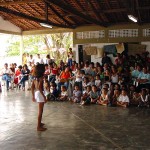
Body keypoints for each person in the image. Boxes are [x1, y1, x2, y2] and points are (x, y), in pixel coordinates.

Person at [31, 64, 47, 131]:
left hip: (36, 93)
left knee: (40, 111)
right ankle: (38, 126)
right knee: (40, 111)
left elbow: (32, 87)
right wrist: (44, 97)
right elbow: (40, 88)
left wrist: (33, 96)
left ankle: (39, 123)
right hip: (40, 94)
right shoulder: (41, 78)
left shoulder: (34, 77)